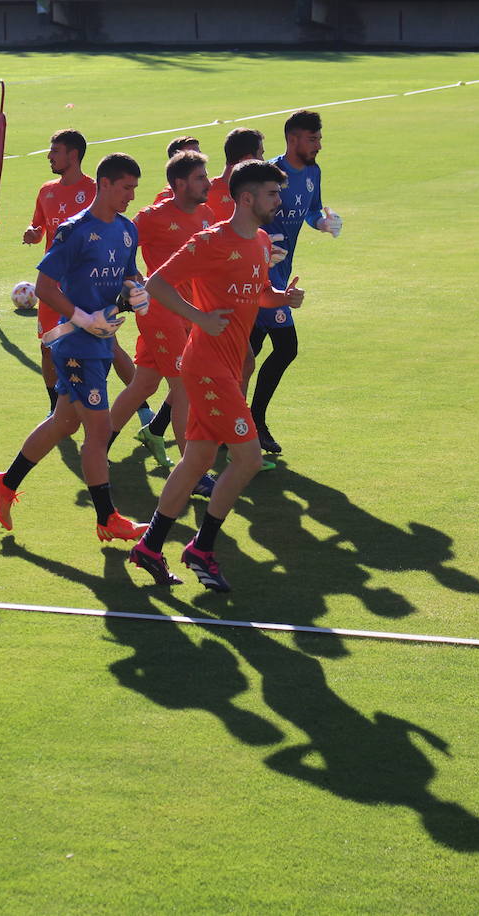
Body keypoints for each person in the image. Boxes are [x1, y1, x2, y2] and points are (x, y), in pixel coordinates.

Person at [130, 160, 306, 591]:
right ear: (245, 199)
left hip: (227, 365)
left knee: (197, 461)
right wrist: (199, 318)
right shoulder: (210, 241)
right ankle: (201, 549)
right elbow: (155, 284)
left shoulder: (262, 242)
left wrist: (281, 296)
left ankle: (150, 547)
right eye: (271, 194)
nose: (278, 202)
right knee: (247, 459)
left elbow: (257, 291)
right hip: (207, 366)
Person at [0, 153, 151, 542]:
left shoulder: (128, 230)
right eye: (125, 187)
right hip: (75, 343)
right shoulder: (73, 230)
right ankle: (107, 517)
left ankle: (5, 484)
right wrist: (83, 318)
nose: (130, 196)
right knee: (98, 430)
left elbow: (130, 274)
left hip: (102, 343)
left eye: (134, 188)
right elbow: (45, 287)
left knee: (64, 422)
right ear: (105, 185)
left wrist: (137, 290)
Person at [113, 150, 216, 480]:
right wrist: (128, 283)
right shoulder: (152, 216)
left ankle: (98, 446)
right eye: (201, 178)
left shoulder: (206, 215)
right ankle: (194, 475)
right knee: (184, 388)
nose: (208, 183)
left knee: (143, 384)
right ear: (180, 183)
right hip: (160, 311)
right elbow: (117, 245)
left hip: (188, 310)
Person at [249, 109, 341, 455]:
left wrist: (323, 222)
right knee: (286, 347)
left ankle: (178, 420)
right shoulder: (271, 174)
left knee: (250, 350)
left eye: (319, 138)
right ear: (293, 140)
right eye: (313, 138)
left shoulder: (313, 172)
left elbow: (313, 209)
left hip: (282, 272)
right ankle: (253, 421)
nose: (319, 144)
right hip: (263, 274)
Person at [22, 129, 96, 414]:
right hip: (51, 285)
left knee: (89, 348)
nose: (49, 156)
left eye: (55, 151)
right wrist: (32, 233)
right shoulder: (46, 190)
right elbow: (41, 229)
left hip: (83, 286)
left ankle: (106, 403)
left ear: (73, 155)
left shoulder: (93, 191)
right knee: (47, 347)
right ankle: (55, 409)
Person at [206, 128, 263, 223]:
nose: (263, 160)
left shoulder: (255, 192)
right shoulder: (205, 194)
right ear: (247, 159)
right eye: (260, 154)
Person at [151, 136, 202, 205]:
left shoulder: (207, 188)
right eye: (192, 157)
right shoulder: (166, 198)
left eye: (199, 153)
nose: (199, 159)